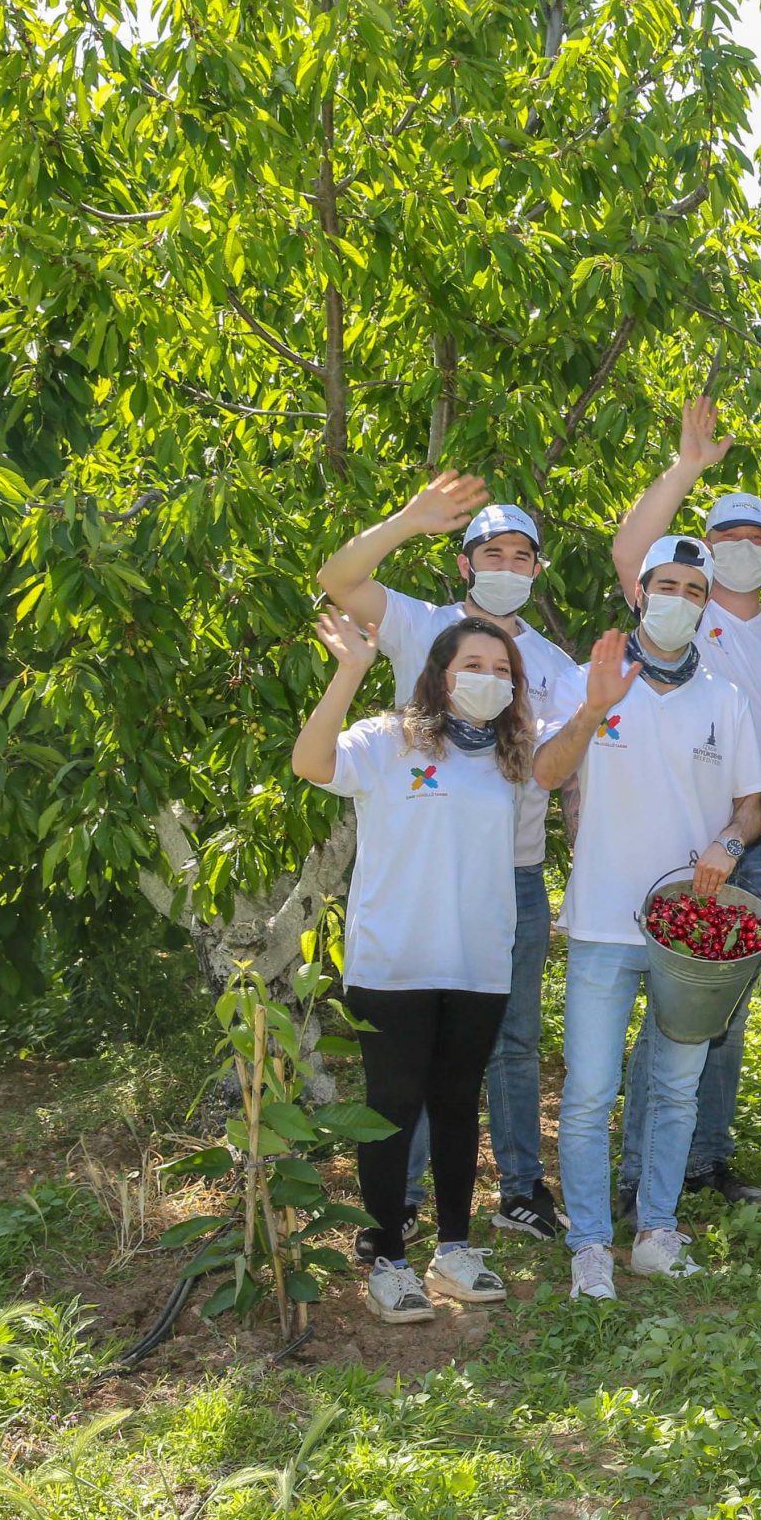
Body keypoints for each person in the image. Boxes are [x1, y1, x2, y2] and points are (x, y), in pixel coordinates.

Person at [317, 476, 586, 1245]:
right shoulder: (423, 624)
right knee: (410, 1056)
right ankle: (397, 1202)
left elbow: (569, 752)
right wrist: (407, 518)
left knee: (511, 1041)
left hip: (514, 873)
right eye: (491, 551)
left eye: (522, 555)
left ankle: (521, 1188)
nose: (507, 563)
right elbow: (339, 581)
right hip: (423, 870)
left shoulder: (550, 662)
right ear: (465, 564)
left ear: (537, 572)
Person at [532, 537, 761, 1300]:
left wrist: (730, 841)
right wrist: (596, 707)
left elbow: (753, 805)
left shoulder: (724, 700)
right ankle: (591, 1245)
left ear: (705, 604)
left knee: (674, 1089)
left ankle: (656, 1232)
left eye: (695, 590)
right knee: (591, 1093)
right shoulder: (586, 679)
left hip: (688, 936)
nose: (680, 599)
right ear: (639, 591)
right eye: (666, 584)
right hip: (603, 921)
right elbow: (546, 773)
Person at [292, 611, 522, 1325]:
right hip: (393, 961)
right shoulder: (389, 740)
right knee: (392, 1110)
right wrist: (349, 669)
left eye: (501, 669)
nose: (489, 679)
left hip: (478, 960)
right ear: (439, 674)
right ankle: (387, 1258)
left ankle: (453, 1251)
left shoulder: (511, 755)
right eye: (473, 665)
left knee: (458, 1104)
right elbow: (310, 761)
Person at [609, 398, 761, 1212]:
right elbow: (629, 549)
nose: (741, 551)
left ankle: (707, 1159)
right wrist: (688, 465)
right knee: (667, 1005)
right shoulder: (683, 612)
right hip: (680, 834)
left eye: (756, 540)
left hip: (757, 842)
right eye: (726, 537)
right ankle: (635, 1172)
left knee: (722, 1010)